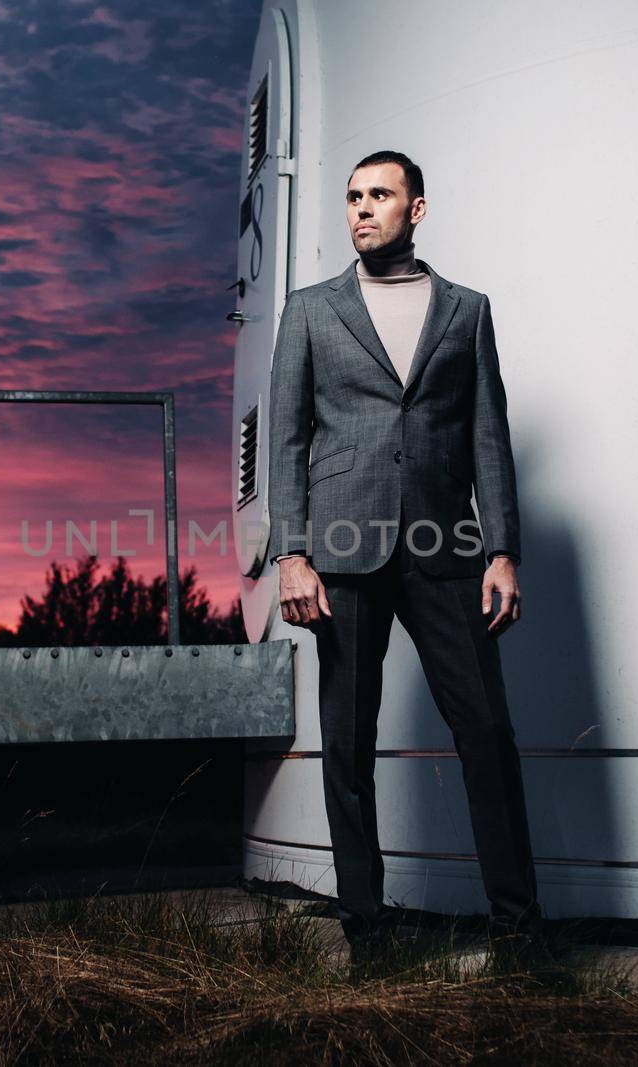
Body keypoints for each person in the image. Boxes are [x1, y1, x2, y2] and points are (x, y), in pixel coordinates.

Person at [265, 149, 542, 969]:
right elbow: (285, 439)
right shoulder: (310, 310)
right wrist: (292, 553)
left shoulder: (466, 310)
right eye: (352, 197)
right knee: (348, 743)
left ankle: (521, 935)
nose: (361, 209)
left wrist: (502, 549)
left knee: (487, 732)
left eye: (379, 195)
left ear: (416, 209)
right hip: (342, 555)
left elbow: (488, 434)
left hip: (446, 547)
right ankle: (368, 933)